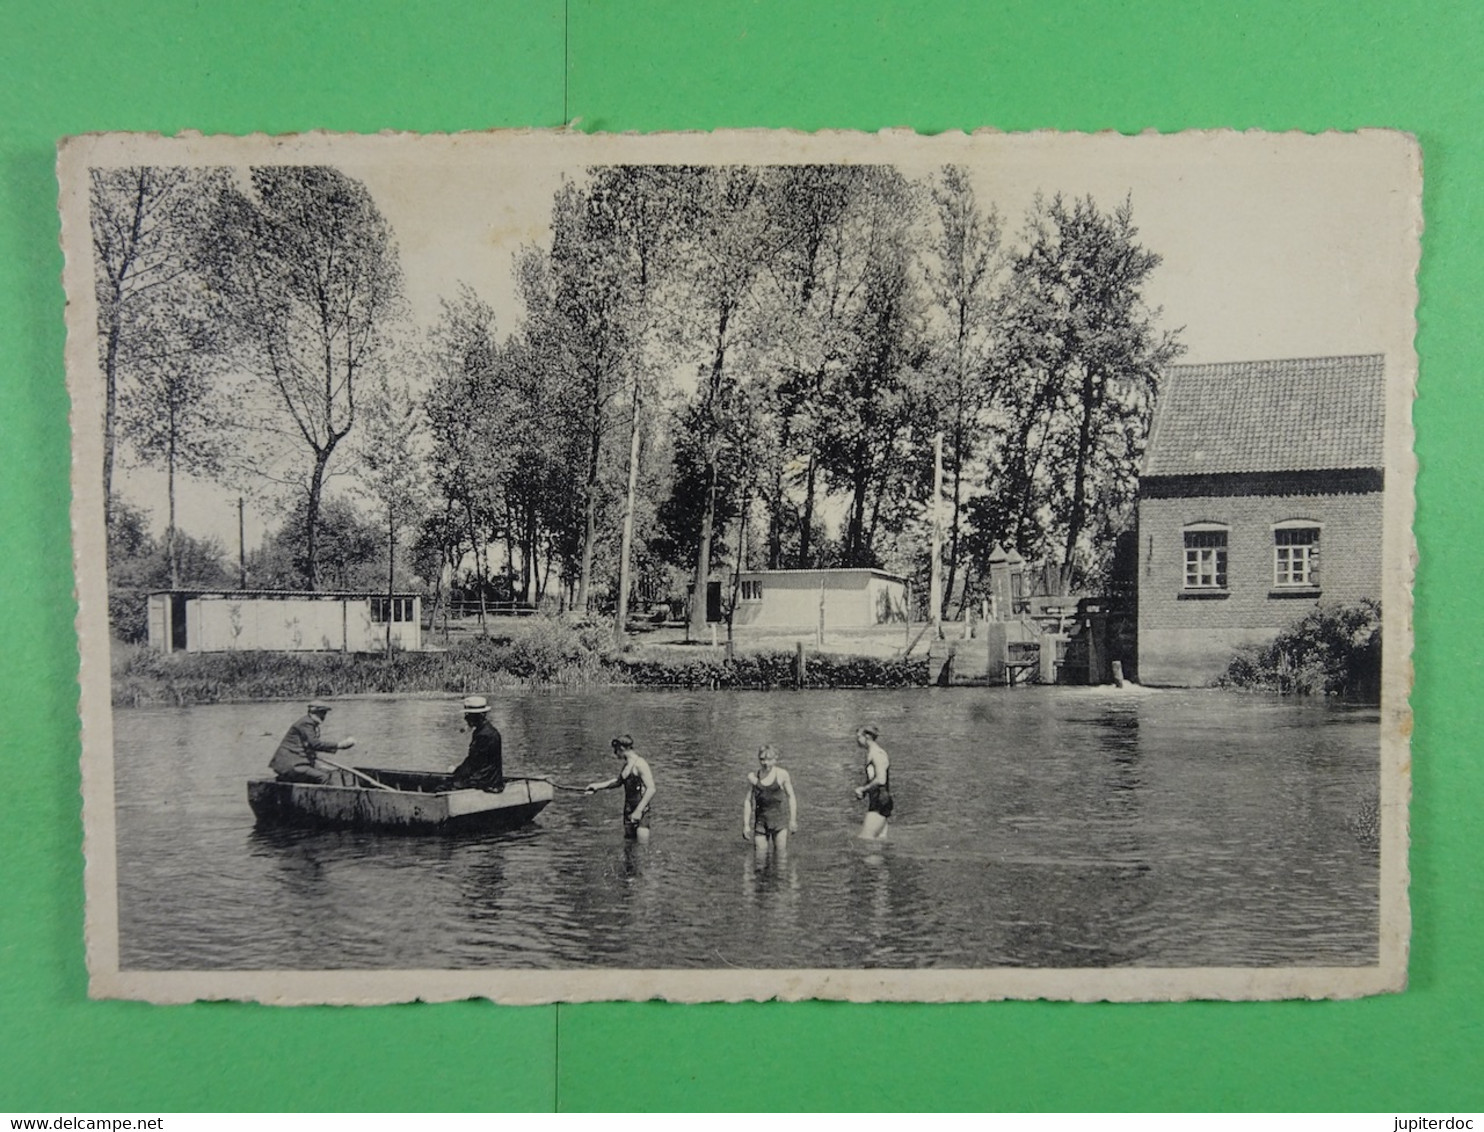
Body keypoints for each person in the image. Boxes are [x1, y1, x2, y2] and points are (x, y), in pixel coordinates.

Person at [584, 734, 656, 843]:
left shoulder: (640, 764)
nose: (615, 754)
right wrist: (597, 786)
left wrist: (638, 811)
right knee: (629, 845)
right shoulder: (627, 765)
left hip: (641, 810)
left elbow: (651, 789)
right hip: (628, 809)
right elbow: (618, 782)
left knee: (642, 848)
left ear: (622, 749)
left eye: (616, 750)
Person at [269, 700, 355, 784]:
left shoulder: (309, 723)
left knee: (328, 772)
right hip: (292, 765)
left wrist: (316, 765)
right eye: (321, 713)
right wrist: (339, 745)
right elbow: (315, 744)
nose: (323, 716)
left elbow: (308, 747)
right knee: (323, 777)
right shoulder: (306, 723)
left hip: (296, 763)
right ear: (312, 713)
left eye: (324, 713)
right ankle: (323, 798)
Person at [743, 744, 798, 862]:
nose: (765, 763)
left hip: (779, 823)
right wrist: (746, 825)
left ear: (775, 759)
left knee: (780, 858)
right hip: (761, 823)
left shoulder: (782, 774)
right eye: (762, 759)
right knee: (760, 859)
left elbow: (791, 796)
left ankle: (782, 879)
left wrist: (793, 820)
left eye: (769, 760)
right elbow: (748, 801)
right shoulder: (754, 777)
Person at [449, 695, 504, 791]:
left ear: (481, 716)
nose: (465, 718)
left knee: (442, 787)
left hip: (483, 782)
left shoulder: (483, 735)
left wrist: (456, 772)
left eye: (470, 715)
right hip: (491, 780)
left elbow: (473, 763)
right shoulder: (489, 731)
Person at [852, 724, 892, 839]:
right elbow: (873, 778)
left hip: (880, 800)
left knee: (865, 838)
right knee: (878, 840)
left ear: (867, 737)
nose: (857, 740)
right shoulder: (871, 753)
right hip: (878, 799)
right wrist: (865, 791)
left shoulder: (877, 754)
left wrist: (863, 789)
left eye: (859, 736)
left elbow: (881, 779)